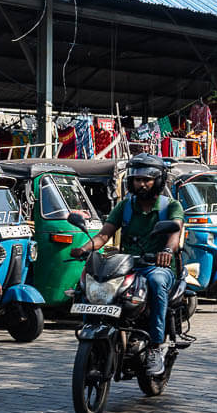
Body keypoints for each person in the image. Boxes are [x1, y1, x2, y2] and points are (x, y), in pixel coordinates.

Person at [70, 155, 183, 376]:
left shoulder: (170, 206)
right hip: (128, 265)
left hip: (157, 266)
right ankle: (91, 331)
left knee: (157, 282)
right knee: (90, 283)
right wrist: (85, 249)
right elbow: (104, 235)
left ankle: (155, 347)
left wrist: (167, 251)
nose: (142, 184)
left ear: (159, 181)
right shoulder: (125, 206)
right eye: (137, 179)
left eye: (147, 180)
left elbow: (174, 234)